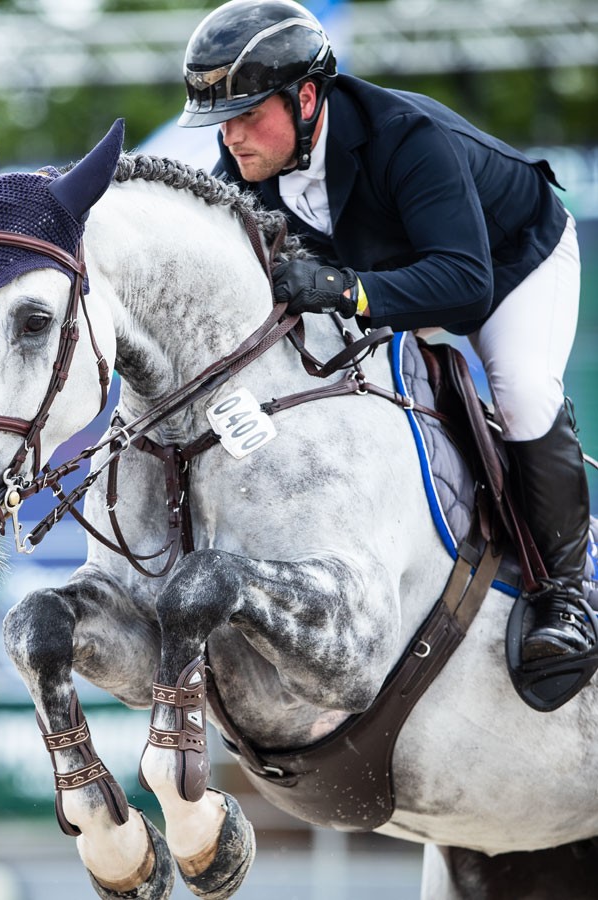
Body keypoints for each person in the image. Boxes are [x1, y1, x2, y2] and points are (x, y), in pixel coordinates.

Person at [177, 0, 594, 666]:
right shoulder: (247, 171)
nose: (232, 139)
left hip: (514, 264)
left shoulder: (407, 136)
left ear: (307, 96)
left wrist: (349, 291)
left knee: (520, 388)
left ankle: (567, 596)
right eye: (221, 123)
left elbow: (466, 283)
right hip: (400, 273)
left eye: (249, 116)